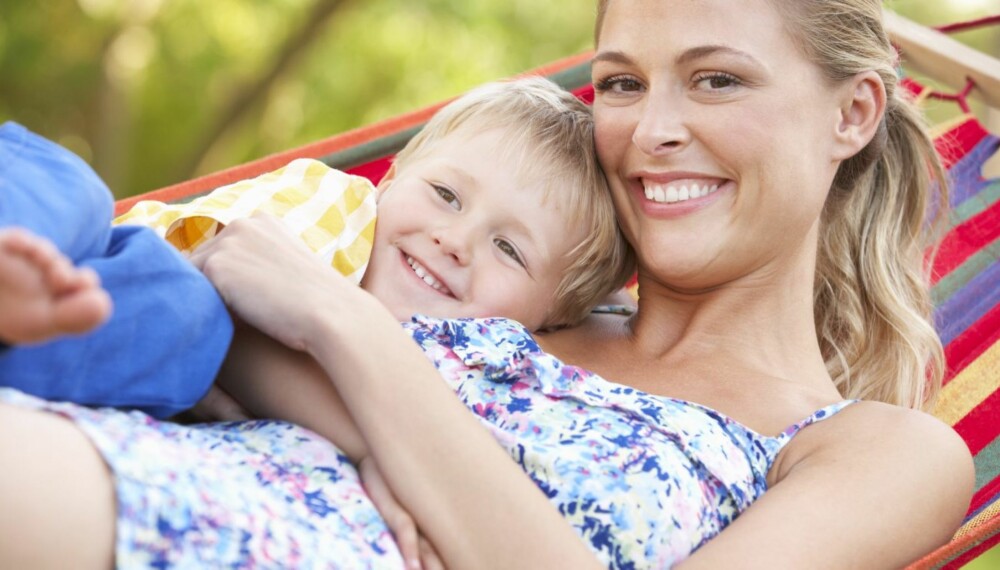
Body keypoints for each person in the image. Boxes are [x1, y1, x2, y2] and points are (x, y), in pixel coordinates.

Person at [0, 1, 976, 569]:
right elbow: (233, 327)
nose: (650, 129)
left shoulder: (877, 448)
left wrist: (354, 338)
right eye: (624, 83)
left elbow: (312, 323)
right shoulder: (531, 294)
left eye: (715, 80)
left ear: (851, 114)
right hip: (151, 463)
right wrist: (389, 439)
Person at [0, 76, 632, 420]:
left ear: (552, 320)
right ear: (393, 176)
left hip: (85, 328)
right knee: (78, 192)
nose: (455, 240)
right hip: (106, 246)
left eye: (509, 249)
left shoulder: (457, 374)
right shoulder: (344, 209)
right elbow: (220, 270)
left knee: (181, 335)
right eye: (445, 194)